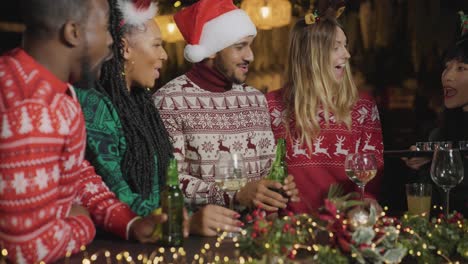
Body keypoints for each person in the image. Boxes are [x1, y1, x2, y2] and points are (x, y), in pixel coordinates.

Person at [0, 1, 186, 263]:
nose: (111, 42)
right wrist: (82, 222)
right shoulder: (33, 108)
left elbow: (78, 173)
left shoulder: (52, 89)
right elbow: (26, 249)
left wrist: (129, 223)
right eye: (104, 29)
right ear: (73, 33)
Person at [76, 0, 244, 236]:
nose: (164, 55)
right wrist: (184, 220)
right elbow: (114, 196)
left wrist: (188, 214)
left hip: (154, 241)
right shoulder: (95, 107)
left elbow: (162, 189)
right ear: (125, 48)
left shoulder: (142, 104)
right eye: (157, 45)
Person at [153, 0, 299, 222]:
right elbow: (168, 180)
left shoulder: (255, 99)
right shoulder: (170, 101)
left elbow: (269, 169)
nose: (250, 56)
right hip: (204, 238)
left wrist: (278, 186)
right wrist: (235, 196)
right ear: (211, 51)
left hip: (258, 234)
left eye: (250, 45)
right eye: (240, 47)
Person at [266, 6, 384, 214]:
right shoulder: (271, 105)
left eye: (345, 46)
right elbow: (261, 175)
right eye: (336, 47)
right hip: (287, 230)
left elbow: (369, 179)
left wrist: (365, 202)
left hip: (345, 225)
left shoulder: (363, 106)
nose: (347, 54)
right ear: (311, 55)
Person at [402, 26, 468, 217]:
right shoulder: (439, 135)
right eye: (447, 67)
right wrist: (424, 165)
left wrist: (441, 161)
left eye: (461, 68)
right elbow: (430, 209)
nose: (448, 76)